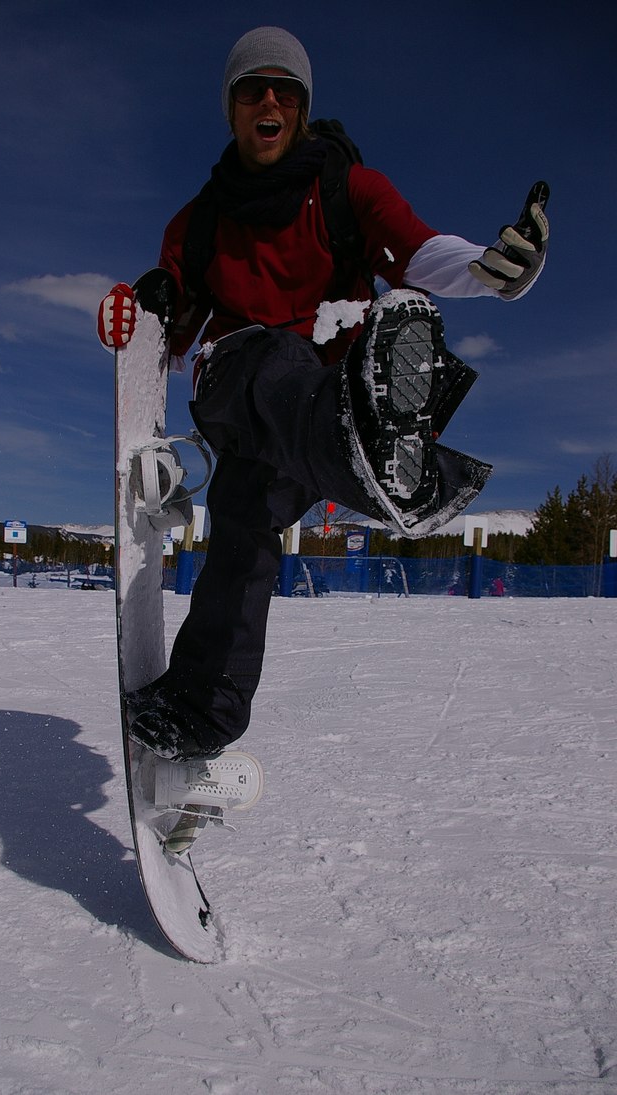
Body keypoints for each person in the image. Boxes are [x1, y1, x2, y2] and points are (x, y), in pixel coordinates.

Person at [98, 26, 548, 762]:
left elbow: (420, 248)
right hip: (237, 383)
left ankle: (198, 712)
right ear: (232, 109)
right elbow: (170, 329)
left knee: (243, 531)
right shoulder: (201, 220)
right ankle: (388, 456)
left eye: (284, 90)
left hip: (315, 409)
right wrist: (144, 308)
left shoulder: (345, 188)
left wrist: (488, 270)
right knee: (274, 358)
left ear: (303, 107)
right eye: (252, 90)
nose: (268, 101)